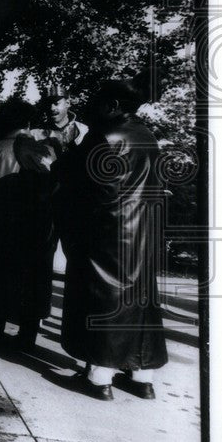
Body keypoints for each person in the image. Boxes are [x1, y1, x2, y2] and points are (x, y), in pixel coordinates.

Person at [59, 78, 168, 401]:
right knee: (140, 301)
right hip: (143, 231)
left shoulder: (103, 137)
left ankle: (99, 376)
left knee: (103, 299)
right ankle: (142, 377)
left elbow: (85, 188)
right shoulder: (147, 136)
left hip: (107, 232)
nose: (91, 106)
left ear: (113, 106)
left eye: (97, 101)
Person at [0, 99, 56, 349]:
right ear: (28, 123)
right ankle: (28, 336)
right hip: (36, 226)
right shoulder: (46, 152)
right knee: (34, 278)